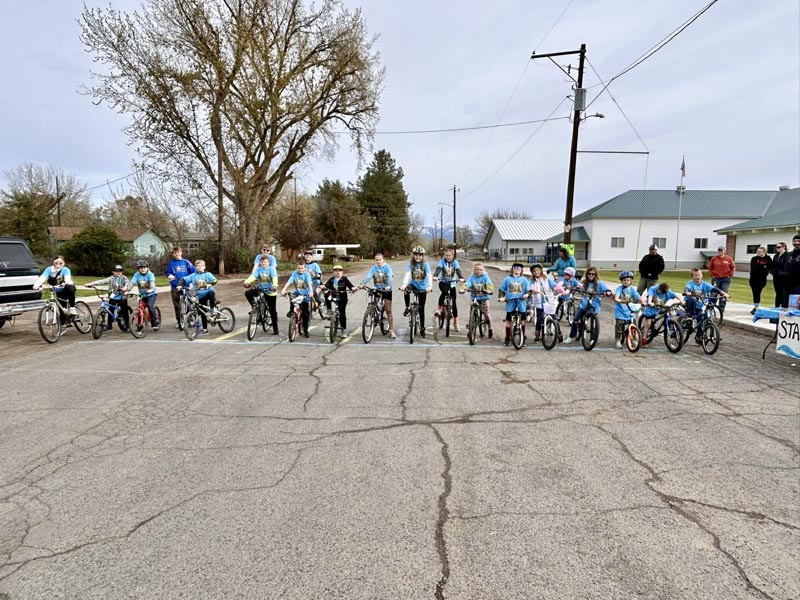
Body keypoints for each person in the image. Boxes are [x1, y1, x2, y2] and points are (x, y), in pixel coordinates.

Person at [565, 266, 612, 344]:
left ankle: (593, 339)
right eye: (589, 274)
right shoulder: (585, 283)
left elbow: (607, 290)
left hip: (594, 305)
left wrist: (607, 292)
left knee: (594, 322)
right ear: (587, 275)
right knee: (575, 319)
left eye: (593, 274)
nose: (591, 275)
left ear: (595, 275)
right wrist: (575, 288)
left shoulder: (599, 284)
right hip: (584, 305)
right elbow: (580, 288)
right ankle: (571, 336)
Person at [683, 268, 729, 343]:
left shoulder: (704, 284)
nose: (697, 277)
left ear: (702, 276)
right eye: (695, 275)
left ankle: (699, 337)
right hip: (690, 305)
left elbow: (714, 289)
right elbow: (687, 288)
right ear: (692, 277)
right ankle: (689, 316)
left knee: (702, 319)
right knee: (693, 299)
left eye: (699, 275)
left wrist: (724, 294)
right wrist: (687, 292)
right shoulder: (690, 283)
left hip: (699, 306)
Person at [359, 253, 396, 339]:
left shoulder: (387, 267)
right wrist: (362, 284)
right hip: (377, 288)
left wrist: (389, 286)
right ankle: (373, 315)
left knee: (388, 310)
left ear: (383, 260)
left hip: (387, 290)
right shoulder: (374, 268)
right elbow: (368, 277)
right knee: (373, 303)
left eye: (380, 259)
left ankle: (391, 330)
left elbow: (390, 277)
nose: (378, 261)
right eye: (377, 260)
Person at [399, 245, 433, 337]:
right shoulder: (411, 264)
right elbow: (407, 274)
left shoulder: (425, 264)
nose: (418, 257)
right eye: (416, 255)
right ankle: (407, 307)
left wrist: (429, 286)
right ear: (414, 255)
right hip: (413, 285)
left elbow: (429, 275)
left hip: (423, 287)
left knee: (421, 309)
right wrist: (404, 285)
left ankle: (422, 328)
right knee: (406, 290)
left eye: (420, 255)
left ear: (422, 256)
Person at [177, 259, 218, 334]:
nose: (200, 267)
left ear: (204, 267)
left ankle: (213, 309)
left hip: (208, 292)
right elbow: (183, 279)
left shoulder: (208, 274)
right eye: (198, 265)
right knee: (203, 312)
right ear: (195, 267)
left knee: (211, 292)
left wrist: (210, 284)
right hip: (200, 295)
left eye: (202, 265)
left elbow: (215, 280)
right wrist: (179, 285)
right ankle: (205, 329)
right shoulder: (193, 275)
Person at [86, 265, 130, 331]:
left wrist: (125, 288)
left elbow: (127, 283)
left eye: (120, 271)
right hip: (113, 297)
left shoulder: (124, 278)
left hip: (122, 297)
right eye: (116, 271)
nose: (118, 273)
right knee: (110, 311)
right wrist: (91, 284)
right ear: (113, 272)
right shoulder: (111, 278)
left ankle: (127, 325)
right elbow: (102, 281)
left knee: (124, 311)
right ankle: (109, 325)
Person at [641, 282, 684, 347]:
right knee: (648, 324)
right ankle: (644, 339)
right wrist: (650, 302)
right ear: (659, 288)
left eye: (662, 293)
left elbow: (676, 295)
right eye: (659, 291)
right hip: (651, 309)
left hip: (661, 307)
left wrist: (681, 301)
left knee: (670, 310)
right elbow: (650, 297)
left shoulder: (668, 292)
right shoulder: (653, 289)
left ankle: (669, 324)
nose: (660, 293)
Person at [244, 254, 279, 335]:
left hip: (270, 291)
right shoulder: (259, 269)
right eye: (262, 262)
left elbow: (274, 278)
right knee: (248, 293)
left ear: (268, 263)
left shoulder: (272, 269)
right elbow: (253, 276)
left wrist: (274, 286)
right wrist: (247, 281)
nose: (264, 264)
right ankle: (254, 307)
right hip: (261, 289)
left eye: (265, 262)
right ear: (260, 263)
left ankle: (275, 328)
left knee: (272, 310)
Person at [433, 247, 465, 331]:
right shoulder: (441, 262)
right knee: (444, 292)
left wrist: (461, 277)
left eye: (449, 255)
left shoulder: (455, 262)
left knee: (454, 302)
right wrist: (435, 276)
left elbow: (458, 270)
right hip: (443, 282)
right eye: (446, 255)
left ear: (452, 256)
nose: (448, 257)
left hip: (452, 283)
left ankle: (456, 323)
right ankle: (439, 310)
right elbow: (438, 269)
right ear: (444, 255)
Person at [498, 262, 530, 346]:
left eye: (519, 268)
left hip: (521, 302)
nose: (517, 269)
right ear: (512, 268)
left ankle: (522, 337)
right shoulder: (507, 279)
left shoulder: (524, 279)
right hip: (510, 301)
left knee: (522, 321)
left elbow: (528, 289)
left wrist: (527, 294)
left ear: (521, 270)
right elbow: (501, 289)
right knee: (508, 320)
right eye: (515, 267)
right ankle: (507, 337)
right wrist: (501, 297)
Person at [460, 262, 495, 339]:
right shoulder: (472, 277)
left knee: (486, 313)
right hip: (475, 297)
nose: (478, 271)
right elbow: (467, 283)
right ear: (474, 270)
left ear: (483, 270)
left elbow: (489, 284)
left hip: (484, 298)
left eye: (480, 270)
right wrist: (463, 289)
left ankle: (490, 328)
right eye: (476, 269)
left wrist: (489, 290)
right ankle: (471, 329)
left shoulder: (485, 277)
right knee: (472, 312)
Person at [280, 261, 314, 337]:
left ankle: (305, 330)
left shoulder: (306, 274)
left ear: (305, 268)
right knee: (291, 297)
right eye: (299, 268)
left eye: (302, 268)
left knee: (305, 314)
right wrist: (284, 289)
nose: (300, 270)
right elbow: (289, 281)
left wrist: (311, 292)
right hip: (297, 293)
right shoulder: (294, 273)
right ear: (297, 268)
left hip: (306, 294)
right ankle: (291, 310)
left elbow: (309, 284)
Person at [321, 265, 358, 335]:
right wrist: (323, 287)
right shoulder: (331, 279)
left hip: (342, 298)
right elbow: (326, 286)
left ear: (342, 272)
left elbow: (350, 285)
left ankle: (343, 329)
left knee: (342, 313)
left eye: (339, 271)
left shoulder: (344, 279)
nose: (338, 273)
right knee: (326, 294)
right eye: (336, 271)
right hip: (333, 296)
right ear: (333, 272)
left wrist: (353, 288)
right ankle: (329, 310)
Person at [166, 246, 195, 328]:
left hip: (186, 285)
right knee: (177, 304)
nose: (177, 254)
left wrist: (191, 280)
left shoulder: (186, 262)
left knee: (188, 303)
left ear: (181, 253)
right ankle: (179, 320)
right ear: (173, 254)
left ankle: (190, 319)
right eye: (175, 253)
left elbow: (193, 271)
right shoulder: (171, 263)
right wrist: (170, 275)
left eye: (178, 252)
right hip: (175, 285)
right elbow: (168, 272)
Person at [527, 263, 557, 342]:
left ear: (540, 270)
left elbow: (554, 285)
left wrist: (561, 290)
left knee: (554, 317)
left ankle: (559, 333)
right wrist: (534, 290)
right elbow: (530, 286)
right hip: (539, 302)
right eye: (534, 271)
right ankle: (537, 335)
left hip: (549, 301)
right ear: (532, 273)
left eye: (537, 270)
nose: (536, 272)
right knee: (539, 319)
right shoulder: (532, 281)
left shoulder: (547, 279)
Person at [127, 260, 159, 329]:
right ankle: (139, 325)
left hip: (151, 294)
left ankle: (154, 321)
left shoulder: (150, 274)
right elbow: (132, 283)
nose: (143, 269)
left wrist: (151, 289)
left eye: (144, 267)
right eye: (141, 268)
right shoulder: (136, 274)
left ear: (147, 268)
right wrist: (127, 290)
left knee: (150, 306)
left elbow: (152, 283)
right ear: (138, 269)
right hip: (142, 294)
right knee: (140, 308)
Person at [613, 270, 640, 349]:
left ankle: (634, 339)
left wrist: (643, 302)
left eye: (628, 280)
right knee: (619, 326)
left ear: (631, 281)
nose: (626, 282)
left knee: (634, 324)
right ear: (621, 281)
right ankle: (617, 339)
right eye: (624, 280)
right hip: (620, 311)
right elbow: (616, 297)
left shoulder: (632, 289)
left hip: (630, 311)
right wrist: (619, 300)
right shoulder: (619, 289)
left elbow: (638, 297)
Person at [708, 245, 735, 313]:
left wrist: (730, 275)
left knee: (723, 293)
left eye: (722, 250)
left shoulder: (729, 259)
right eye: (719, 250)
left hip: (725, 279)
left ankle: (721, 308)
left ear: (724, 251)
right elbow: (710, 267)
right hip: (716, 278)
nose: (720, 252)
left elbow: (732, 267)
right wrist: (712, 275)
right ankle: (711, 307)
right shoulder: (714, 258)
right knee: (714, 293)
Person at [748, 247, 772, 315]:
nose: (758, 252)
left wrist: (763, 268)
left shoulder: (768, 259)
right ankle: (756, 306)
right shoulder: (754, 258)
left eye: (760, 251)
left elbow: (768, 268)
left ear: (764, 252)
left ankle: (756, 306)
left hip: (762, 279)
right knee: (755, 293)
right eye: (757, 251)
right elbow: (753, 268)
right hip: (753, 278)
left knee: (758, 292)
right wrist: (763, 267)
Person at [771, 241, 791, 308]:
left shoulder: (787, 256)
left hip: (784, 278)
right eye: (776, 247)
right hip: (776, 278)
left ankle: (783, 307)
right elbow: (773, 266)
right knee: (778, 293)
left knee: (784, 293)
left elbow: (787, 267)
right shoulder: (776, 256)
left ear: (784, 247)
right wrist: (773, 272)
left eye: (779, 247)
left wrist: (782, 273)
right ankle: (776, 307)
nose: (777, 248)